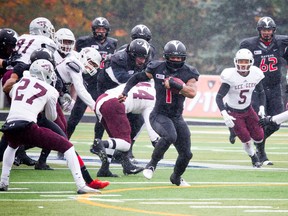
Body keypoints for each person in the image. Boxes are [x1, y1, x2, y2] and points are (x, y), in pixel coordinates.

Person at [0, 59, 99, 194]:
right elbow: (51, 117)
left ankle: (3, 182)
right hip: (28, 126)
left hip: (9, 125)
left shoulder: (19, 84)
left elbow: (13, 96)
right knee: (68, 147)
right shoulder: (50, 89)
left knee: (12, 146)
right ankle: (81, 185)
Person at [118, 40, 199, 186]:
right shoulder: (157, 68)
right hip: (158, 114)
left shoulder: (189, 72)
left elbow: (192, 93)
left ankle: (176, 177)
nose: (175, 61)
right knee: (169, 136)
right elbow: (137, 77)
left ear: (184, 58)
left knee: (187, 154)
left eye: (179, 58)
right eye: (173, 58)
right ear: (166, 57)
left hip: (177, 117)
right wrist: (125, 92)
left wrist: (176, 84)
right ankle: (152, 164)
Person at [230, 16, 288, 165]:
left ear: (273, 30)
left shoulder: (281, 42)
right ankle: (261, 154)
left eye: (269, 29)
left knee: (276, 123)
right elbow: (241, 63)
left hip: (275, 87)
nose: (267, 32)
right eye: (264, 29)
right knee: (258, 121)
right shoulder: (249, 44)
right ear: (259, 30)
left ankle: (258, 143)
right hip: (256, 88)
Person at [1, 17, 57, 168]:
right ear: (43, 30)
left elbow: (13, 58)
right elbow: (49, 64)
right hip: (25, 78)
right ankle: (12, 151)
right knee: (29, 118)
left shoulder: (23, 37)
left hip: (12, 75)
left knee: (17, 116)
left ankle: (18, 152)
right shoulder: (47, 43)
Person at [90, 81, 159, 177]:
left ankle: (104, 169)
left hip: (101, 99)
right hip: (114, 103)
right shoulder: (154, 98)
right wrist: (157, 142)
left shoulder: (143, 84)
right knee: (126, 143)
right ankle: (100, 144)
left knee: (114, 139)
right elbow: (150, 124)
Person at [67, 16, 118, 140]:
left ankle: (97, 142)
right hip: (87, 83)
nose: (100, 32)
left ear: (107, 30)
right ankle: (63, 143)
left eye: (103, 29)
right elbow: (75, 58)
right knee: (75, 117)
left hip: (102, 85)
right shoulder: (83, 42)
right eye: (98, 29)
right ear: (93, 30)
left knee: (102, 116)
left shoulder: (112, 43)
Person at [216, 48, 265, 168]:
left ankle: (233, 130)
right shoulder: (230, 75)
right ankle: (254, 158)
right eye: (240, 61)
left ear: (251, 62)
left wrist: (262, 107)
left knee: (259, 137)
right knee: (247, 141)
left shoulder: (256, 73)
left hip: (248, 109)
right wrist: (225, 114)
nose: (243, 65)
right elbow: (218, 97)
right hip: (233, 112)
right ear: (235, 61)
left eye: (245, 61)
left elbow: (261, 92)